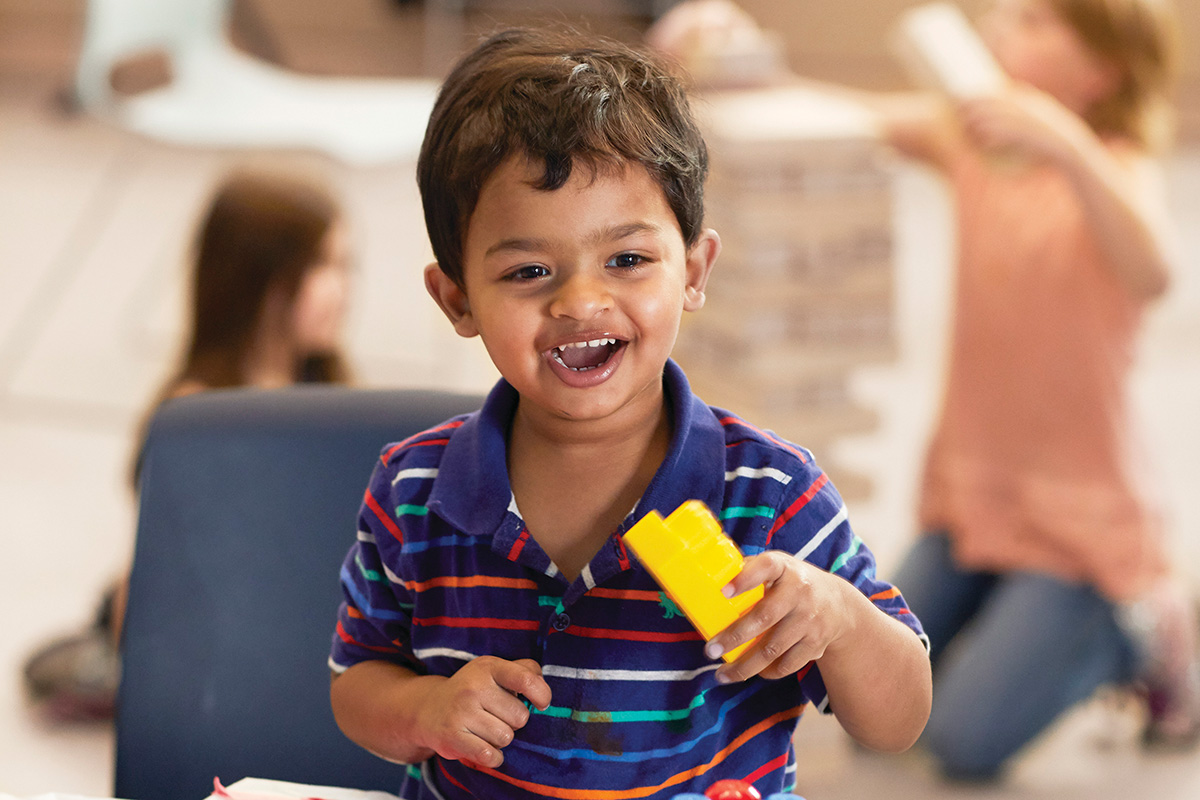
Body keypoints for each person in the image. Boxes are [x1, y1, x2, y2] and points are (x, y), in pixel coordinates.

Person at [327, 27, 932, 800]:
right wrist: (427, 707)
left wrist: (839, 618)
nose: (581, 301)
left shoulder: (770, 491)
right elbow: (356, 683)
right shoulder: (415, 488)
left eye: (628, 259)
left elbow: (900, 718)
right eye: (529, 270)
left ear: (694, 269)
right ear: (456, 299)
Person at [873, 0, 1200, 782]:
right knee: (867, 705)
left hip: (1077, 527)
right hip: (978, 501)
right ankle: (1006, 612)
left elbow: (1154, 271)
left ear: (1102, 70)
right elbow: (853, 118)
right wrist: (734, 62)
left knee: (963, 741)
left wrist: (1065, 144)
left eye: (1036, 21)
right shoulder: (972, 142)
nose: (1001, 29)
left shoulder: (1114, 170)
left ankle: (1138, 631)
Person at [23, 168, 353, 721]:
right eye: (322, 266)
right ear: (261, 280)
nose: (342, 289)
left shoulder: (331, 391)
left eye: (346, 266)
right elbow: (164, 587)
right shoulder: (197, 422)